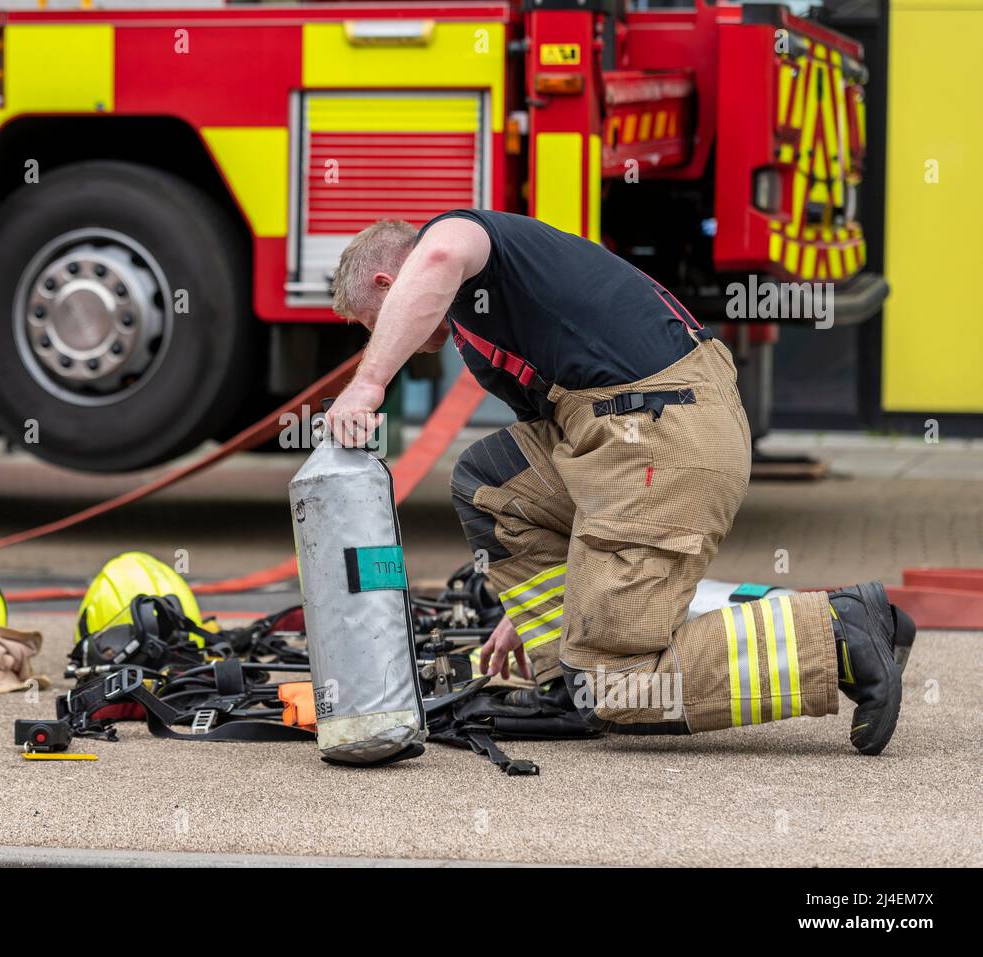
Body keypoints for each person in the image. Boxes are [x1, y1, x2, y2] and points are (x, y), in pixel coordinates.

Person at [325, 211, 914, 754]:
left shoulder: (454, 239)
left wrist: (369, 383)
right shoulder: (481, 324)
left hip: (660, 434)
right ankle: (565, 682)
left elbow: (437, 256)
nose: (375, 337)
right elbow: (554, 481)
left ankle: (837, 632)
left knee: (614, 685)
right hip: (632, 427)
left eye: (370, 324)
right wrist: (543, 607)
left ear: (386, 283)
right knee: (491, 480)